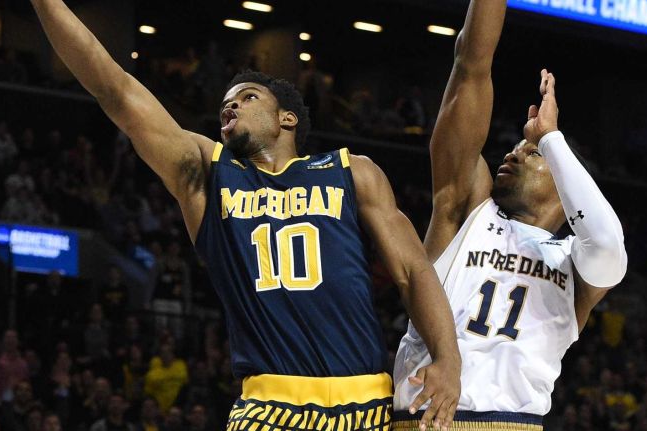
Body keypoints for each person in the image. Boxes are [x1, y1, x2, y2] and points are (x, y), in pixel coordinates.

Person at [30, 0, 461, 429]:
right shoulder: (209, 176)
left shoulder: (352, 171)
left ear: (286, 117)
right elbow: (115, 89)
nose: (229, 108)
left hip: (366, 403)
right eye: (224, 105)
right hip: (268, 407)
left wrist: (448, 358)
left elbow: (411, 270)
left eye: (247, 97)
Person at [392, 0, 628, 430]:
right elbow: (471, 65)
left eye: (532, 151)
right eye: (518, 145)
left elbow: (609, 242)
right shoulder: (465, 208)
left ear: (565, 178)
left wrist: (552, 139)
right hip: (428, 417)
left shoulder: (575, 263)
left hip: (514, 422)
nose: (514, 151)